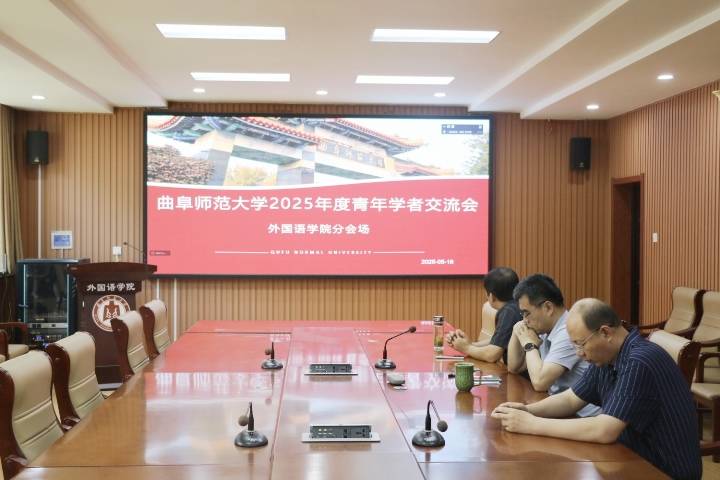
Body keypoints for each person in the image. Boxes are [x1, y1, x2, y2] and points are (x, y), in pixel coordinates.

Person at [491, 298, 701, 480]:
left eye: (580, 344)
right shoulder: (607, 357)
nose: (579, 353)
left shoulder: (639, 361)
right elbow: (570, 400)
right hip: (628, 455)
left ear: (605, 332)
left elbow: (605, 430)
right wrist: (527, 410)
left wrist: (531, 424)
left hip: (661, 470)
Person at [506, 274, 599, 416]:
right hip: (562, 408)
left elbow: (540, 382)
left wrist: (529, 344)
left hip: (582, 416)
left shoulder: (568, 331)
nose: (525, 320)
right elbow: (514, 367)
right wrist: (516, 330)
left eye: (527, 313)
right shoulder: (546, 328)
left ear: (548, 308)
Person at [445, 267, 522, 364]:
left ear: (491, 296)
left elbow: (492, 355)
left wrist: (466, 348)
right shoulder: (516, 305)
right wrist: (471, 344)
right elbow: (499, 341)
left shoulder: (508, 312)